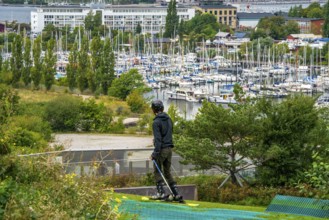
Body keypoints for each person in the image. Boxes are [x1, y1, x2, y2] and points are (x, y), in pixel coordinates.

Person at [150, 100, 182, 201]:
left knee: (157, 171)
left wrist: (154, 154)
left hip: (161, 150)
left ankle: (161, 193)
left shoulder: (156, 122)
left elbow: (158, 140)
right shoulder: (169, 119)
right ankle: (176, 194)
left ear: (154, 110)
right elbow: (169, 134)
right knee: (167, 172)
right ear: (162, 108)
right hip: (169, 149)